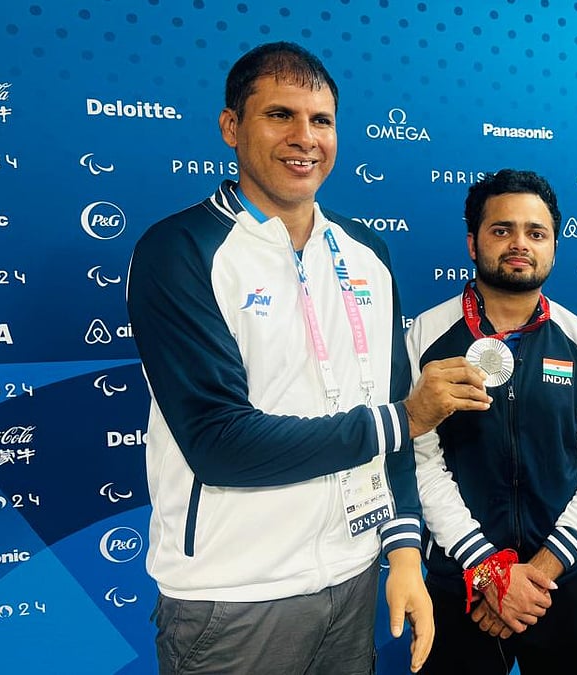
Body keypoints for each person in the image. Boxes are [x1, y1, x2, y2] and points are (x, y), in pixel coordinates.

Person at [126, 42, 490, 674]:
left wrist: (403, 549)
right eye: (280, 116)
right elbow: (219, 442)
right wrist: (403, 418)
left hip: (351, 580)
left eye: (321, 121)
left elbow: (393, 412)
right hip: (233, 594)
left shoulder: (365, 253)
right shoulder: (179, 250)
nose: (305, 138)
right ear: (231, 127)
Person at [406, 169, 577, 674]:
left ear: (553, 246)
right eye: (501, 229)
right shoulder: (425, 336)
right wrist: (489, 572)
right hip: (461, 585)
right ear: (472, 241)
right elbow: (418, 461)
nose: (519, 244)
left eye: (536, 233)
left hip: (564, 586)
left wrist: (536, 575)